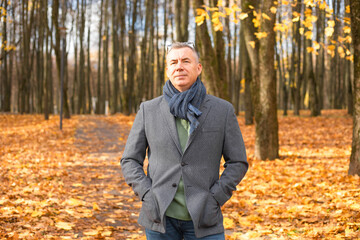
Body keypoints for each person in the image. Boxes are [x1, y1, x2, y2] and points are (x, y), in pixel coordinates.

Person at [120, 42, 248, 240]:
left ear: (198, 68)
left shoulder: (222, 110)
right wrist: (147, 194)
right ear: (168, 70)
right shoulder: (148, 110)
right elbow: (129, 160)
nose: (179, 66)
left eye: (186, 61)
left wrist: (216, 198)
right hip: (159, 217)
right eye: (173, 62)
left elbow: (238, 162)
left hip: (205, 218)